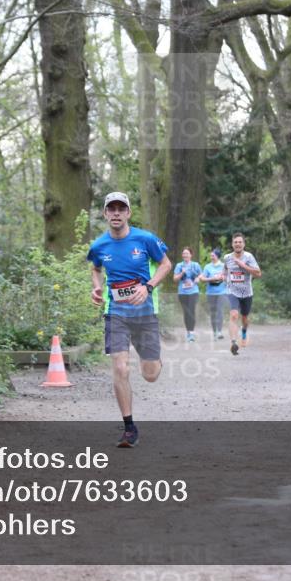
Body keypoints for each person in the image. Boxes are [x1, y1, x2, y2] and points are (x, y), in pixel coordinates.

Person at [87, 192, 172, 448]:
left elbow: (166, 264)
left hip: (144, 313)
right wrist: (96, 287)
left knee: (150, 374)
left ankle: (154, 359)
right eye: (111, 209)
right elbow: (95, 267)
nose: (116, 213)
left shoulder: (145, 239)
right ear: (105, 214)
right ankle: (129, 428)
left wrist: (149, 286)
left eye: (120, 208)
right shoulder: (99, 246)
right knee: (121, 369)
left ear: (128, 213)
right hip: (116, 313)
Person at [222, 233, 262, 356]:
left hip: (246, 293)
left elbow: (258, 273)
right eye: (235, 242)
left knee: (244, 318)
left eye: (240, 242)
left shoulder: (249, 257)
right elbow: (225, 270)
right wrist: (223, 277)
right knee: (233, 315)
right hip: (232, 291)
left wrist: (243, 265)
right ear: (232, 244)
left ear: (244, 244)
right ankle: (233, 343)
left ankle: (244, 332)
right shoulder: (227, 257)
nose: (237, 244)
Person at [173, 247, 202, 342]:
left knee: (191, 310)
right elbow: (175, 279)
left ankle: (192, 333)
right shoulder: (179, 265)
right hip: (182, 292)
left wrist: (198, 278)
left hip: (193, 291)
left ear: (191, 255)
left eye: (187, 253)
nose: (185, 255)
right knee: (186, 312)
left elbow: (201, 275)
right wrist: (182, 273)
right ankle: (188, 332)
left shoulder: (195, 265)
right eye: (184, 253)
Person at [198, 248, 227, 340]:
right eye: (210, 255)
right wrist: (211, 279)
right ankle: (214, 332)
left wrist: (222, 278)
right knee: (213, 312)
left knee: (220, 311)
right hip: (210, 292)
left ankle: (219, 331)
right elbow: (202, 279)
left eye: (213, 255)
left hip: (222, 292)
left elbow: (228, 277)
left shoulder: (223, 266)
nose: (211, 257)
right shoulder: (207, 267)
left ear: (217, 256)